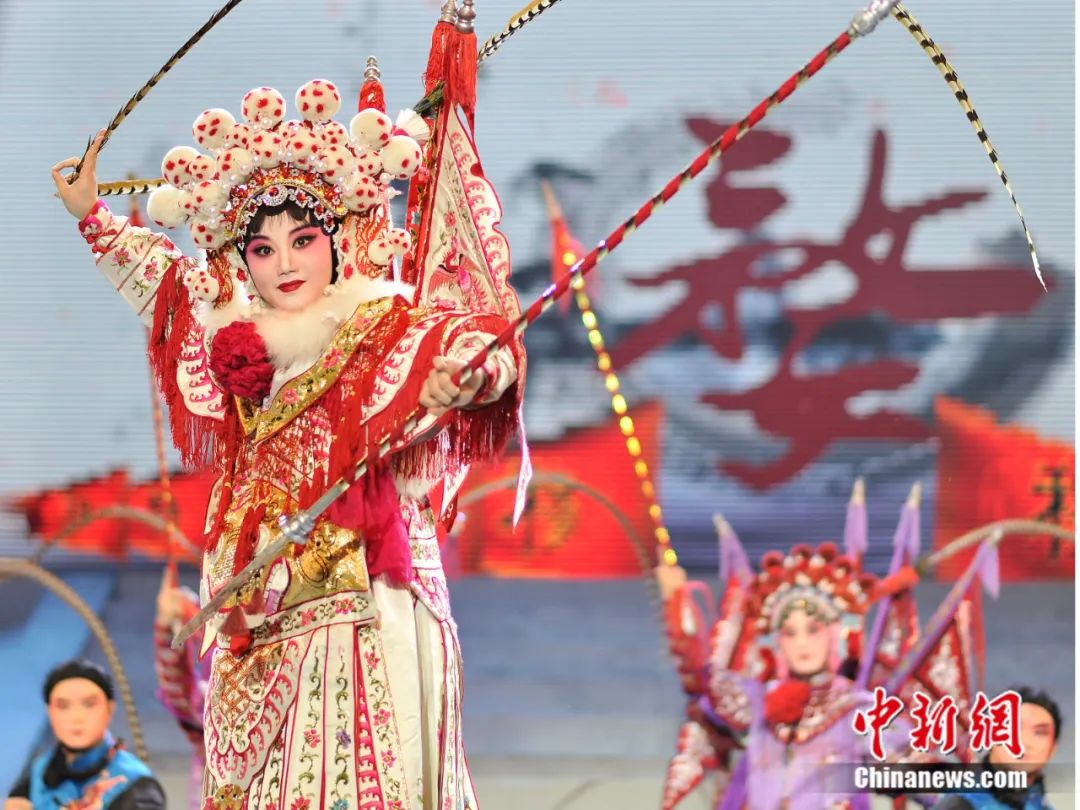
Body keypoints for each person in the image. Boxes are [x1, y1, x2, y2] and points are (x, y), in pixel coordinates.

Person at [51, 72, 524, 810]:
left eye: (303, 240)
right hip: (257, 623)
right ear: (242, 261)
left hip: (359, 615)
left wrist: (466, 378)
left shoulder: (380, 326)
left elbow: (474, 345)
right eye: (264, 250)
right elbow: (165, 288)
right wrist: (92, 215)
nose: (287, 265)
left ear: (338, 238)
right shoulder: (242, 347)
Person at [5, 660, 165, 810]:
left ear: (110, 708)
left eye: (89, 704)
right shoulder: (40, 770)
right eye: (63, 706)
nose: (76, 717)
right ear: (49, 711)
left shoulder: (135, 784)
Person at [934, 687, 1061, 810]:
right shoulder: (962, 802)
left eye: (1039, 732)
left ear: (1053, 748)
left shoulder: (1041, 804)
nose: (1025, 741)